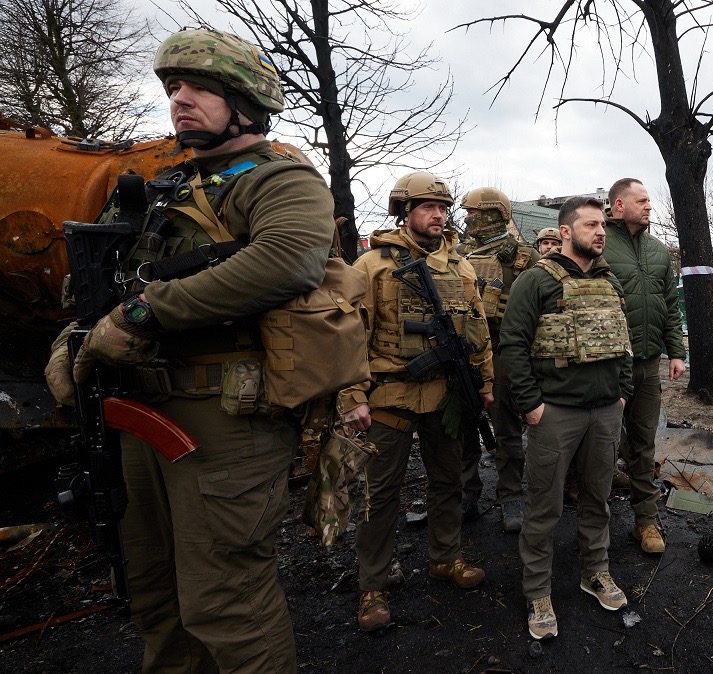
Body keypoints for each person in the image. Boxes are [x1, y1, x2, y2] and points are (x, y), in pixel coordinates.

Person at [43, 27, 335, 672]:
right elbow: (115, 287)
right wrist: (78, 335)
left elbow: (287, 261)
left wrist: (145, 314)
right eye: (174, 88)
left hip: (223, 421)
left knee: (226, 601)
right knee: (153, 596)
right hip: (139, 413)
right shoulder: (165, 189)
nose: (180, 99)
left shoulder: (280, 178)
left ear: (247, 101)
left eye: (200, 88)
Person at [339, 171, 494, 632]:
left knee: (448, 481)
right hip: (388, 393)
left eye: (443, 208)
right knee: (380, 494)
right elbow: (347, 335)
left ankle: (444, 558)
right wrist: (352, 396)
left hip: (446, 393)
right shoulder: (370, 266)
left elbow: (478, 330)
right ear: (405, 212)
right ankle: (374, 583)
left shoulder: (460, 266)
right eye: (428, 207)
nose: (439, 216)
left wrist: (486, 383)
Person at [499, 196, 634, 640]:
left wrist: (622, 394)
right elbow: (513, 347)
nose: (601, 232)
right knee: (544, 507)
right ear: (565, 232)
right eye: (592, 225)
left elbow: (623, 340)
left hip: (604, 411)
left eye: (604, 226)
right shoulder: (535, 280)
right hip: (555, 413)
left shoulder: (610, 280)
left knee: (598, 499)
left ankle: (594, 572)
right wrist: (532, 405)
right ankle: (538, 591)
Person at [603, 178, 686, 555]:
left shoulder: (658, 251)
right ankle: (594, 526)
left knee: (643, 445)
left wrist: (677, 352)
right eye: (642, 200)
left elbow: (670, 305)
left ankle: (646, 523)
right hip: (606, 367)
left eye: (650, 200)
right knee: (599, 446)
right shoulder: (600, 245)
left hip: (647, 364)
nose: (649, 206)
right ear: (619, 205)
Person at [457, 187, 539, 532]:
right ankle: (466, 494)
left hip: (503, 352)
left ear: (492, 214)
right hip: (462, 352)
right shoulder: (456, 254)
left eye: (472, 213)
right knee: (462, 427)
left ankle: (511, 495)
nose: (466, 218)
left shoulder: (523, 256)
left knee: (505, 428)